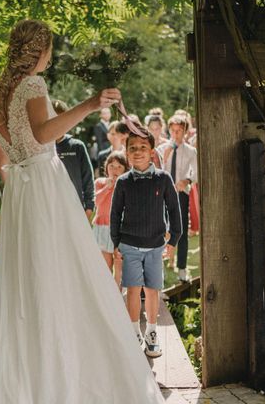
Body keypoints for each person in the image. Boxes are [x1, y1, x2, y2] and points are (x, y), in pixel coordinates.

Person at [0, 19, 164, 403]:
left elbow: (1, 157)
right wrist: (90, 104)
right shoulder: (32, 84)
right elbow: (43, 134)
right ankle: (73, 379)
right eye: (48, 48)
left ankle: (33, 381)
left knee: (28, 282)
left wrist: (17, 194)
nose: (50, 56)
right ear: (39, 50)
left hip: (18, 192)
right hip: (44, 189)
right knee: (70, 274)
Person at [110, 126, 181, 358]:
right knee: (133, 289)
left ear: (152, 151)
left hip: (155, 245)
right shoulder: (123, 182)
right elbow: (115, 213)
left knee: (152, 290)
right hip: (129, 244)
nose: (137, 152)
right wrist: (116, 243)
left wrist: (174, 238)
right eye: (132, 148)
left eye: (143, 147)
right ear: (126, 152)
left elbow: (173, 208)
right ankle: (133, 333)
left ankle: (152, 333)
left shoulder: (162, 179)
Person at [157, 114, 198, 282]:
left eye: (179, 131)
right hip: (163, 194)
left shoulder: (190, 151)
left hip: (181, 194)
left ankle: (182, 268)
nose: (175, 134)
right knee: (160, 229)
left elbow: (195, 172)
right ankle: (160, 267)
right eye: (173, 131)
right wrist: (165, 156)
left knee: (179, 230)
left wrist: (187, 180)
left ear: (185, 132)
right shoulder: (162, 148)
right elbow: (157, 168)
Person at [52, 99, 95, 220]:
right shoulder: (41, 149)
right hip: (50, 210)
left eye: (62, 120)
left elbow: (88, 180)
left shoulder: (77, 146)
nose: (58, 124)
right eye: (53, 120)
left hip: (75, 209)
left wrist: (89, 208)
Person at [93, 151, 128, 286]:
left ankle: (118, 296)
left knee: (119, 265)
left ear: (125, 169)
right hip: (102, 227)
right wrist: (107, 187)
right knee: (105, 266)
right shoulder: (100, 182)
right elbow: (97, 202)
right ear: (106, 168)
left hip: (119, 229)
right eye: (112, 166)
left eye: (119, 167)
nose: (115, 170)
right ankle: (108, 297)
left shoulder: (125, 185)